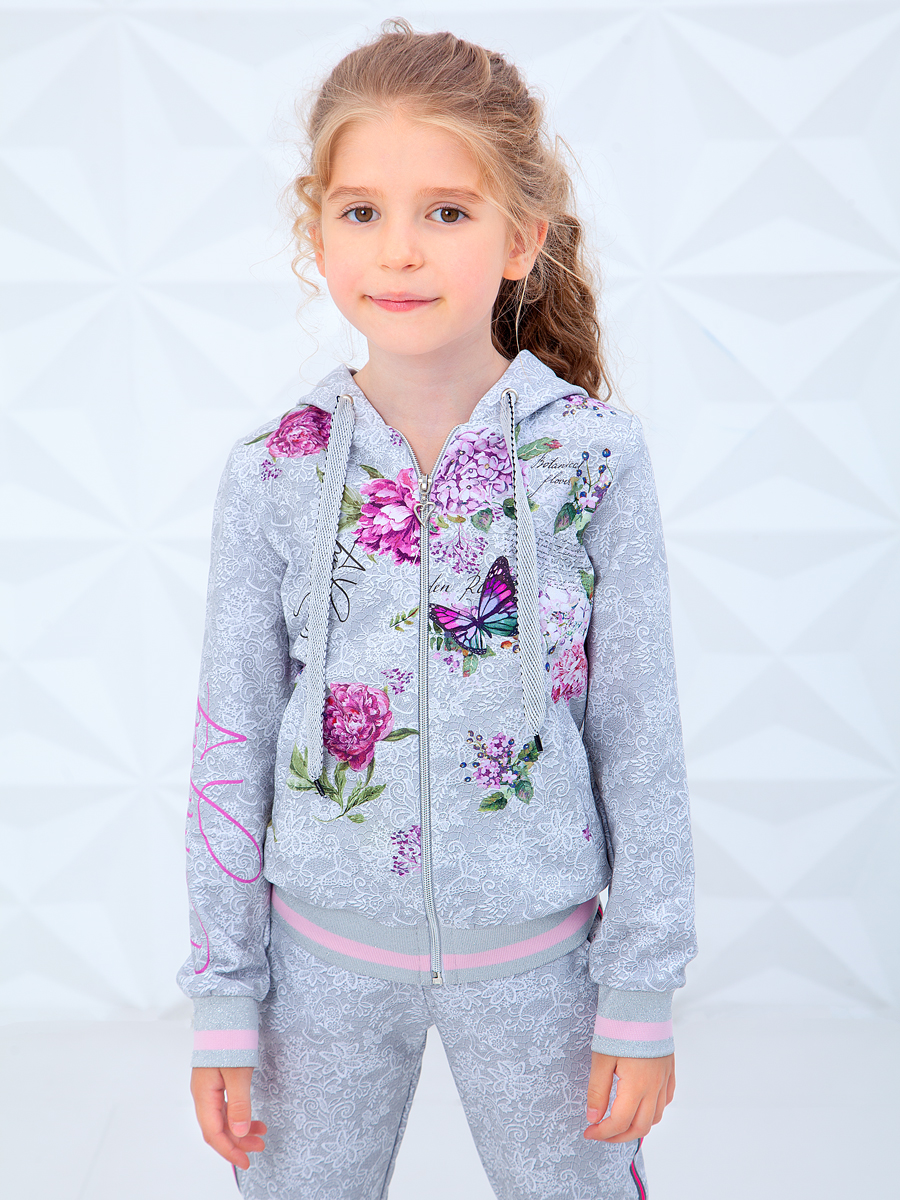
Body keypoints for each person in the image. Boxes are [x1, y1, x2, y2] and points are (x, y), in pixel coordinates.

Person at [179, 19, 697, 1200]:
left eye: (447, 212)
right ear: (316, 233)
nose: (401, 250)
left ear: (522, 239)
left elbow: (640, 736)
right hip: (317, 970)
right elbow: (230, 739)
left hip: (544, 971)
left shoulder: (593, 458)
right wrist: (224, 996)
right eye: (362, 211)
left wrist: (641, 989)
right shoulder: (274, 469)